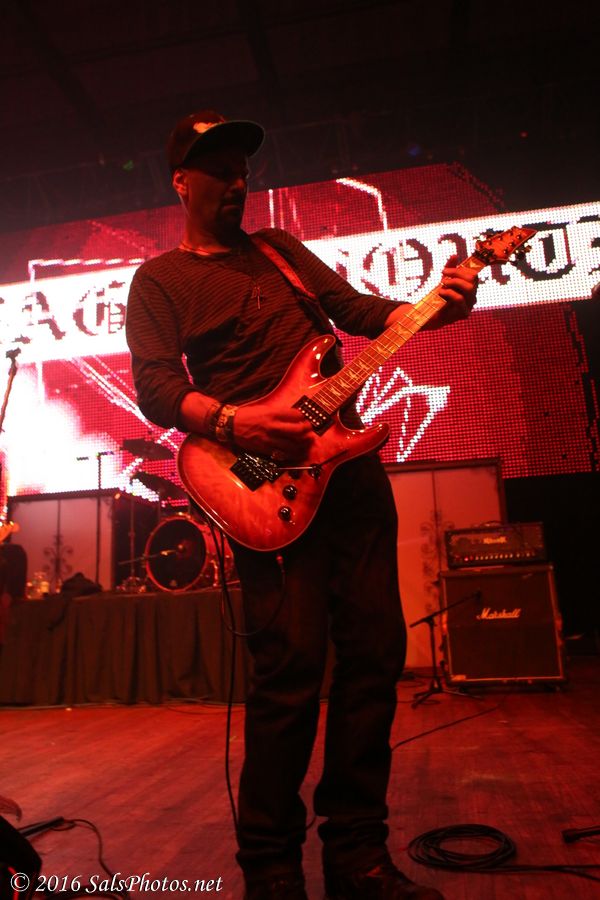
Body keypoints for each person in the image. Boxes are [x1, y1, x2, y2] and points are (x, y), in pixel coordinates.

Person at [126, 111, 478, 900]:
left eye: (243, 169)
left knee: (374, 659)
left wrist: (434, 305)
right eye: (219, 170)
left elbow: (358, 312)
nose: (236, 182)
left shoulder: (280, 251)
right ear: (182, 182)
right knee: (289, 672)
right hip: (258, 474)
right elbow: (155, 386)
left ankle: (357, 855)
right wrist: (235, 422)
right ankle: (272, 867)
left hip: (348, 475)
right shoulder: (160, 281)